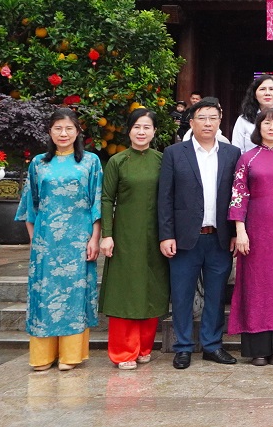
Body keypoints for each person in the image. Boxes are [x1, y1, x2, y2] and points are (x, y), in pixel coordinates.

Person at [17, 108, 103, 372]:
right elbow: (30, 205)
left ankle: (70, 355)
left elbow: (97, 203)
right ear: (50, 132)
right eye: (58, 128)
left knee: (74, 296)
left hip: (78, 240)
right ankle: (42, 356)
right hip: (46, 242)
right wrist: (35, 241)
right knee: (44, 295)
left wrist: (95, 239)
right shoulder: (38, 163)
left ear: (77, 132)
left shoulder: (90, 162)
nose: (63, 134)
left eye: (68, 128)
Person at [158, 98, 241, 369]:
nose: (208, 123)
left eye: (213, 118)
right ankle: (183, 346)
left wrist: (234, 232)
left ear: (220, 122)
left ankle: (212, 345)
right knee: (182, 294)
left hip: (219, 237)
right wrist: (166, 235)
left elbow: (236, 197)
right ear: (191, 122)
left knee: (216, 295)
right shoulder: (174, 153)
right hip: (184, 238)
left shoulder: (232, 153)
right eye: (202, 118)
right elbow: (165, 197)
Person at [99, 109, 169, 371]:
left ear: (154, 131)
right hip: (125, 234)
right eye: (137, 127)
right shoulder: (117, 161)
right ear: (128, 130)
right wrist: (107, 234)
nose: (141, 132)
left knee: (151, 287)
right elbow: (107, 198)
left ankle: (144, 347)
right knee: (125, 290)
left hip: (156, 235)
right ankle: (123, 351)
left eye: (147, 127)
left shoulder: (163, 160)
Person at [228, 106, 273, 366]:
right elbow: (238, 195)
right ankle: (257, 348)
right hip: (254, 230)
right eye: (267, 123)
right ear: (258, 128)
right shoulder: (247, 159)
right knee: (255, 286)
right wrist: (240, 230)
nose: (272, 127)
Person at [233, 74, 273, 154]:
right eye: (262, 89)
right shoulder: (244, 119)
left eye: (271, 89)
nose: (267, 93)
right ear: (255, 94)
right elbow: (237, 150)